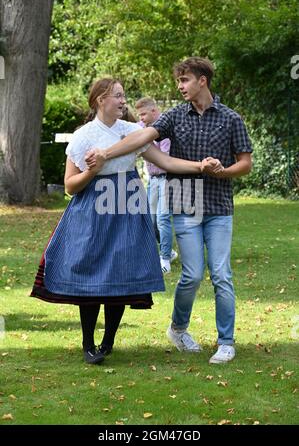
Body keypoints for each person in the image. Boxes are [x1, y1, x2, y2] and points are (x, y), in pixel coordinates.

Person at [31, 77, 211, 365]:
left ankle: (108, 341)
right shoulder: (84, 136)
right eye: (118, 95)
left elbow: (165, 162)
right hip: (92, 210)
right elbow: (70, 186)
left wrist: (199, 166)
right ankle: (88, 343)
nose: (123, 100)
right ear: (101, 99)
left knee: (120, 272)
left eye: (123, 95)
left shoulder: (132, 132)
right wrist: (93, 170)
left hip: (128, 205)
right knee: (91, 273)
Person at [86, 57, 253, 364]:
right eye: (178, 81)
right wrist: (106, 152)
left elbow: (245, 163)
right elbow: (143, 136)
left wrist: (223, 171)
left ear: (202, 80)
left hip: (219, 206)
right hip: (185, 203)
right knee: (190, 274)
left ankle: (226, 341)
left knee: (221, 274)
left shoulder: (231, 119)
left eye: (185, 80)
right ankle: (178, 328)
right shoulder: (175, 116)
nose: (180, 86)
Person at [135, 97, 177, 274]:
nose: (142, 118)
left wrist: (146, 141)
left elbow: (165, 158)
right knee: (150, 220)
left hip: (167, 178)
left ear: (154, 111)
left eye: (144, 114)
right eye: (140, 115)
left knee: (163, 218)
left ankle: (165, 258)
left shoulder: (166, 129)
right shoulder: (141, 127)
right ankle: (171, 252)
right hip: (152, 179)